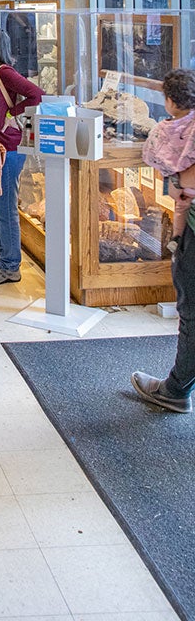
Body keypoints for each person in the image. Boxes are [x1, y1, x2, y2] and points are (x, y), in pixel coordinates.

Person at [132, 70, 195, 413]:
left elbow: (180, 177)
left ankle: (175, 390)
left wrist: (182, 188)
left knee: (191, 311)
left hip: (191, 225)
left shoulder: (168, 130)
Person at [0, 25, 43, 285]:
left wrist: (11, 114)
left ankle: (11, 264)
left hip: (9, 148)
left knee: (5, 209)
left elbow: (37, 95)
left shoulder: (5, 73)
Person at [141, 69, 195, 244]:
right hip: (187, 189)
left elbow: (150, 154)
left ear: (170, 101)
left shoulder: (164, 129)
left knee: (180, 210)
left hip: (180, 188)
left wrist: (176, 179)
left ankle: (176, 241)